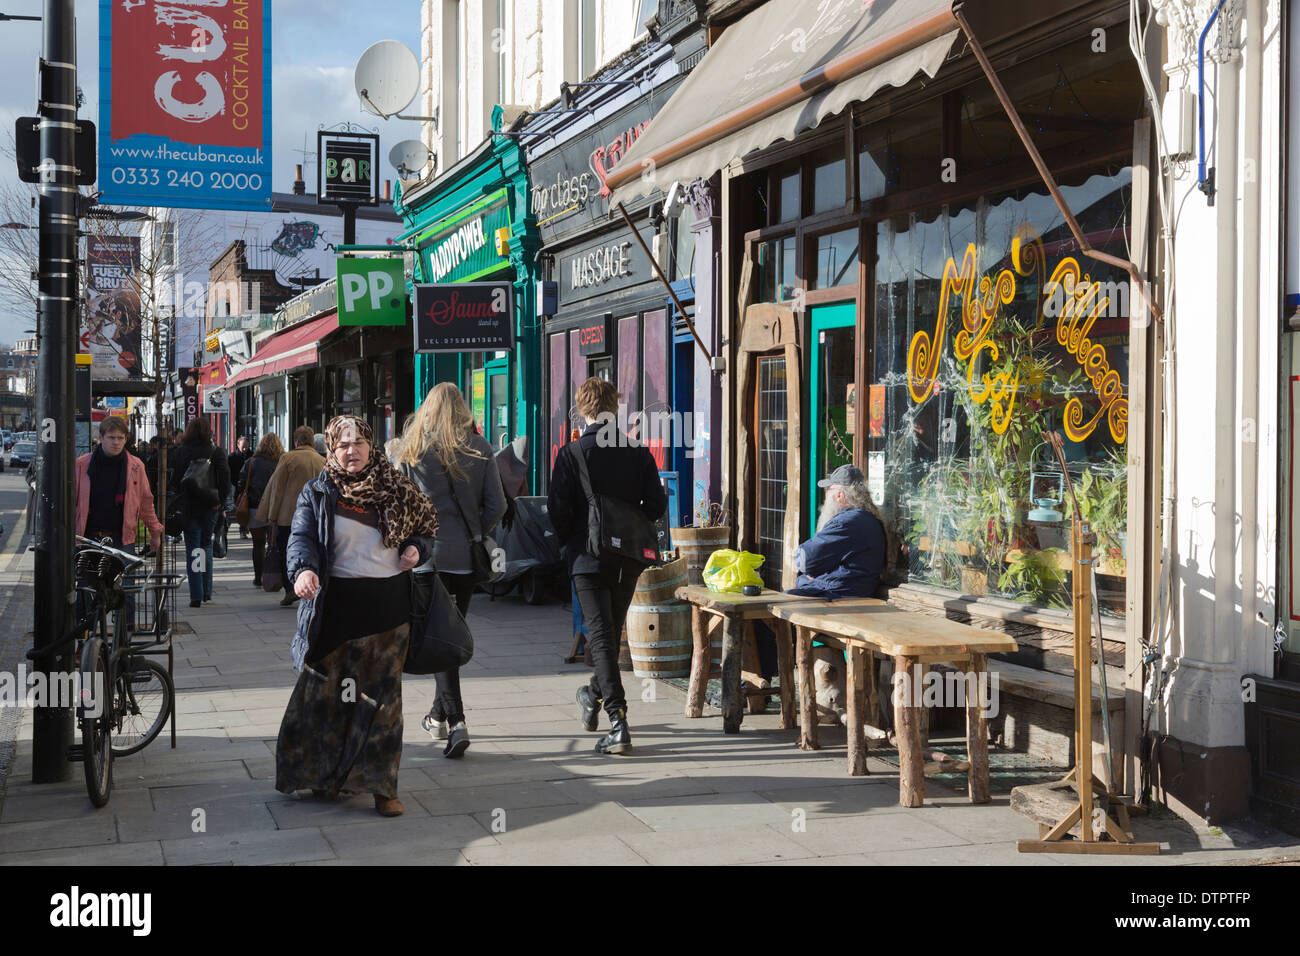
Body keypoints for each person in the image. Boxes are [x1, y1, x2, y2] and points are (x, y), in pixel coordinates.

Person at [275, 415, 439, 817]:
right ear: (332, 448)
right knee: (325, 698)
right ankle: (322, 774)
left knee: (384, 703)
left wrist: (417, 549)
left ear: (371, 445)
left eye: (358, 443)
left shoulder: (397, 486)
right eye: (343, 444)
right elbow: (302, 539)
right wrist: (303, 571)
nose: (351, 451)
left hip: (388, 611)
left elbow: (425, 528)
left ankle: (384, 789)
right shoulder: (318, 490)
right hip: (336, 610)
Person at [548, 377, 667, 755]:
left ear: (582, 410)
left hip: (587, 556)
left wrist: (573, 539)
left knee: (600, 636)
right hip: (628, 557)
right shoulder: (637, 452)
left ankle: (618, 721)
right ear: (615, 408)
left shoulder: (571, 454)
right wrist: (627, 522)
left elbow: (557, 512)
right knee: (610, 633)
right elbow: (657, 507)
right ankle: (591, 693)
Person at [397, 383, 507, 758]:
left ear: (427, 409)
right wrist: (476, 531)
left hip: (426, 561)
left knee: (441, 640)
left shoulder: (412, 451)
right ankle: (436, 715)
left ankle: (457, 722)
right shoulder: (481, 448)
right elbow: (498, 505)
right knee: (447, 634)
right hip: (464, 560)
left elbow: (400, 508)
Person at [789, 465, 888, 598]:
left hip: (837, 593)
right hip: (848, 590)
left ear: (840, 495)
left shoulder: (846, 522)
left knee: (782, 601)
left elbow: (806, 559)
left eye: (829, 489)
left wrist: (812, 568)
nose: (826, 494)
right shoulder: (865, 518)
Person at [254, 426, 326, 606]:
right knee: (315, 550)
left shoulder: (287, 458)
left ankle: (290, 589)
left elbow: (277, 489)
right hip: (317, 515)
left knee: (287, 551)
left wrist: (272, 516)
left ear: (296, 441)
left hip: (289, 516)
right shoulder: (322, 460)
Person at [74, 415, 163, 553]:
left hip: (122, 540)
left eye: (120, 438)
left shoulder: (135, 466)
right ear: (101, 438)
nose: (116, 442)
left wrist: (155, 532)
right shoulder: (81, 465)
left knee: (122, 575)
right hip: (87, 538)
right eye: (111, 437)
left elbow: (146, 502)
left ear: (125, 439)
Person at [170, 418, 230, 608]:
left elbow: (175, 480)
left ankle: (195, 594)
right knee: (206, 546)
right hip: (210, 506)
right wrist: (219, 502)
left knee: (193, 548)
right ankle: (206, 592)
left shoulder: (180, 452)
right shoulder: (216, 452)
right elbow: (225, 480)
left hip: (188, 507)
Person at [240, 433, 283, 588]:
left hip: (255, 508)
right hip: (276, 509)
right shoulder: (281, 462)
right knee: (275, 544)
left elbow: (241, 483)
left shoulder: (251, 462)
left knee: (258, 544)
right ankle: (274, 576)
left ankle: (258, 577)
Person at [228, 435, 252, 539]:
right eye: (243, 446)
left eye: (246, 446)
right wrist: (236, 483)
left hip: (251, 486)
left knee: (249, 508)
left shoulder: (253, 456)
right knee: (241, 509)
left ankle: (246, 526)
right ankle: (242, 529)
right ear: (238, 445)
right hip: (238, 487)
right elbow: (230, 473)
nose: (245, 448)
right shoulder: (232, 457)